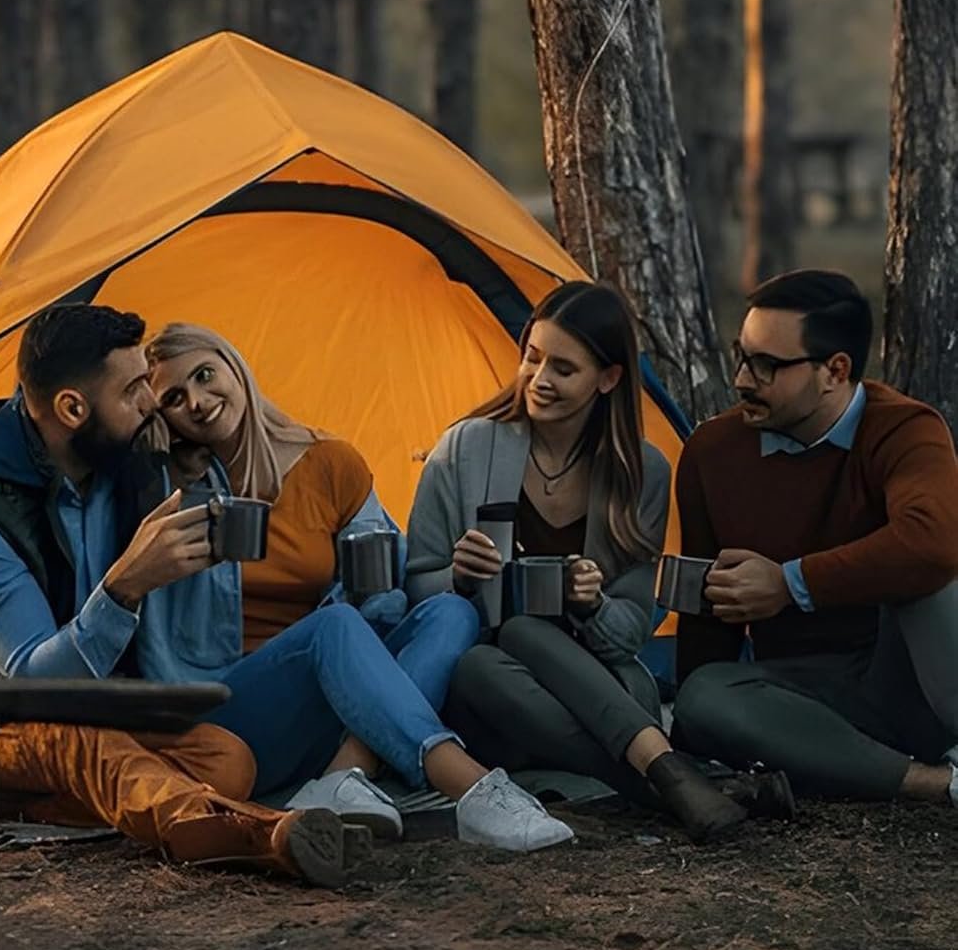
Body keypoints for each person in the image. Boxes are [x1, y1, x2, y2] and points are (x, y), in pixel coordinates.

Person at [0, 302, 369, 888]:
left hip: (97, 706)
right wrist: (126, 586)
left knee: (227, 760)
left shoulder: (118, 460)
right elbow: (36, 685)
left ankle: (37, 808)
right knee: (88, 749)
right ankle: (254, 836)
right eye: (132, 391)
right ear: (73, 409)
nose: (151, 402)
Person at [144, 323, 574, 853]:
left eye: (205, 375)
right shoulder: (169, 489)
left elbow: (386, 589)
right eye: (173, 398)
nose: (197, 401)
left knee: (451, 611)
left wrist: (371, 611)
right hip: (233, 711)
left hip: (328, 703)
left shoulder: (329, 462)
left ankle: (344, 774)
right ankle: (472, 788)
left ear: (234, 366)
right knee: (334, 625)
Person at [407, 281, 790, 843]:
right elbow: (416, 588)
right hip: (498, 698)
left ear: (608, 379)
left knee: (526, 631)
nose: (539, 379)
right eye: (532, 357)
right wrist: (458, 577)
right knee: (489, 655)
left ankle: (666, 781)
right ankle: (679, 778)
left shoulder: (642, 474)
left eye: (563, 368)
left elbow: (631, 630)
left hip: (602, 687)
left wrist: (593, 605)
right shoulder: (465, 449)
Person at [669, 269, 958, 808]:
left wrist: (789, 583)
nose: (742, 379)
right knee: (703, 694)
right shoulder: (713, 451)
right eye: (740, 356)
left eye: (766, 365)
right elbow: (709, 611)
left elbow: (933, 543)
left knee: (933, 572)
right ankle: (934, 783)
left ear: (835, 370)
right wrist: (693, 736)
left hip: (914, 679)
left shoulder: (905, 429)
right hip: (805, 696)